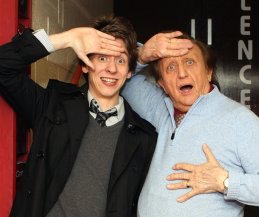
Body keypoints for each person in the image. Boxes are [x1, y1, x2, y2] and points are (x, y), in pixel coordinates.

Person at [0, 15, 159, 217]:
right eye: (102, 58)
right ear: (84, 64)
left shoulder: (144, 137)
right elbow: (3, 66)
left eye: (120, 60)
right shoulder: (52, 106)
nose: (111, 68)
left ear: (129, 71)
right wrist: (68, 38)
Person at [122, 31, 259, 217]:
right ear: (162, 84)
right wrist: (143, 53)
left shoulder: (241, 120)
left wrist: (225, 181)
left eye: (190, 62)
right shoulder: (157, 108)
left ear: (208, 72)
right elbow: (122, 80)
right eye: (171, 67)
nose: (182, 73)